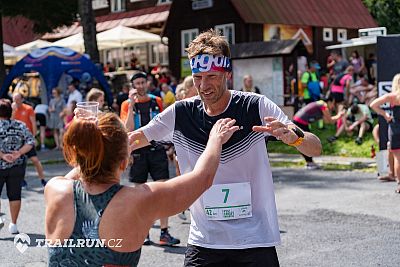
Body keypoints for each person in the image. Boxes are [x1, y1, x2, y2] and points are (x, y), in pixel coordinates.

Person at [128, 29, 322, 266]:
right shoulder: (181, 113)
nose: (203, 85)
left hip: (254, 239)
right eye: (198, 77)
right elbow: (135, 139)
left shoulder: (255, 106)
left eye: (211, 76)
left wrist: (296, 139)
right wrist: (94, 134)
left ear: (227, 74)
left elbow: (316, 148)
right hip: (205, 240)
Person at [45, 112, 238, 266]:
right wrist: (215, 139)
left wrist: (95, 144)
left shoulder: (54, 189)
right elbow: (202, 179)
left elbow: (83, 166)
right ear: (124, 163)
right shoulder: (138, 200)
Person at [120, 72, 181, 246]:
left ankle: (164, 232)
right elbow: (127, 129)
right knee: (140, 195)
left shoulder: (157, 101)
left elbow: (164, 124)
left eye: (142, 82)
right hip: (138, 152)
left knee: (162, 192)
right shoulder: (126, 104)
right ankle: (143, 232)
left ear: (147, 83)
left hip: (157, 150)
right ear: (132, 86)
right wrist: (131, 106)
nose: (140, 86)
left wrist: (170, 146)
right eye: (136, 83)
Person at [0, 99, 35, 234]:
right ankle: (13, 224)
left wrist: (3, 155)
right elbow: (31, 141)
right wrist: (18, 153)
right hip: (17, 165)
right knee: (15, 195)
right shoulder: (20, 125)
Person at [293, 96, 345, 169]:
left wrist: (338, 116)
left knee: (304, 142)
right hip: (300, 122)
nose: (333, 107)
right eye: (333, 105)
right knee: (305, 143)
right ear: (330, 102)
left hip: (299, 121)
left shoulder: (320, 104)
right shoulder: (324, 106)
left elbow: (326, 121)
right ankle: (310, 163)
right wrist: (339, 115)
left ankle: (309, 162)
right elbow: (330, 120)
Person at [370, 73, 400, 193]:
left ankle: (399, 183)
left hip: (395, 127)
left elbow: (373, 105)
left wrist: (385, 114)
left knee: (398, 157)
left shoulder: (392, 96)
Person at [12, 92, 47, 187]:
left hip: (28, 138)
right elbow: (10, 122)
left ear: (22, 99)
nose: (16, 101)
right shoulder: (12, 110)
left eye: (18, 99)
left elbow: (33, 123)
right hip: (17, 139)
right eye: (14, 99)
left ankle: (43, 179)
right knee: (20, 161)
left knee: (35, 160)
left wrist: (34, 136)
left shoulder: (28, 109)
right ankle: (21, 180)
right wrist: (13, 111)